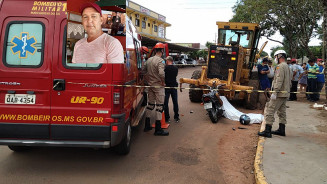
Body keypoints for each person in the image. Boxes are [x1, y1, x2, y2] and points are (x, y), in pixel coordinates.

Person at [258, 50, 291, 138]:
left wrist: (275, 92)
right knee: (282, 112)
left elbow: (279, 80)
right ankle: (281, 129)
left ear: (279, 56)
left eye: (276, 57)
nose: (275, 59)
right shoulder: (287, 66)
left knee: (270, 110)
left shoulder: (280, 67)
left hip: (279, 93)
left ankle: (267, 131)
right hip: (285, 93)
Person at [142, 43, 169, 136]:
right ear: (162, 51)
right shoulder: (161, 61)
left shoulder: (148, 60)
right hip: (158, 86)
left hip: (150, 86)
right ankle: (158, 129)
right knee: (160, 106)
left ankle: (147, 125)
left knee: (150, 105)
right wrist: (163, 82)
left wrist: (147, 80)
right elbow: (161, 73)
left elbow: (143, 71)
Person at [164, 56, 180, 123]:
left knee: (165, 103)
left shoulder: (165, 68)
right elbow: (175, 75)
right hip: (174, 86)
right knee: (175, 102)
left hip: (167, 87)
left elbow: (163, 76)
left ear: (167, 61)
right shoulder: (176, 68)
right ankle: (176, 117)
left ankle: (167, 118)